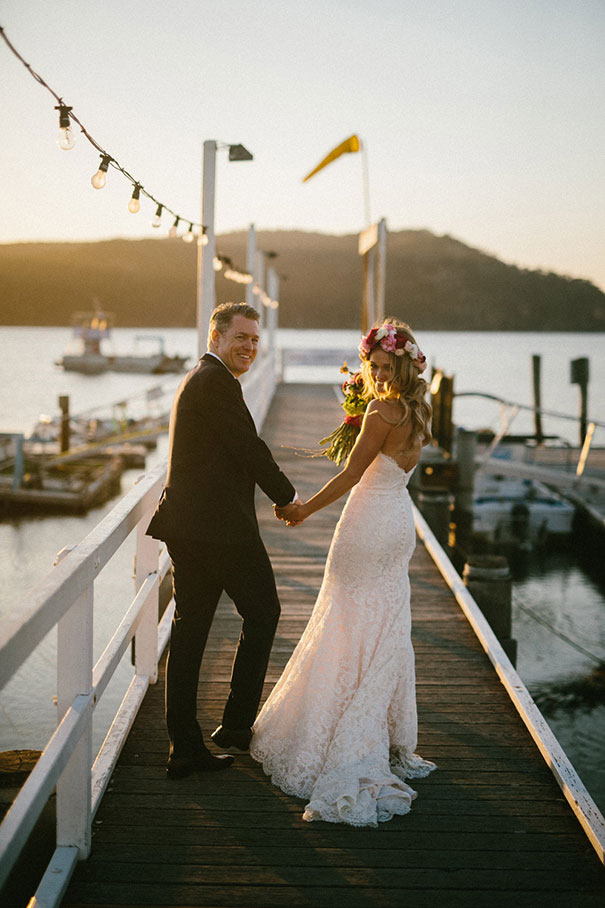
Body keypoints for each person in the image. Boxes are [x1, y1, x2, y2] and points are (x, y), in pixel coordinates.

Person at [250, 318, 437, 826]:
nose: (375, 374)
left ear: (401, 364)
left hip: (367, 523)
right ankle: (381, 726)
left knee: (344, 617)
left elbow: (353, 473)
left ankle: (340, 731)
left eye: (382, 366)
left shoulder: (380, 410)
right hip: (399, 524)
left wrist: (303, 509)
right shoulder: (418, 410)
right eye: (370, 366)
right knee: (383, 623)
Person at [146, 302, 299, 779]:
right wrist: (287, 497)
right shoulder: (213, 382)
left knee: (190, 633)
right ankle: (233, 726)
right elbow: (247, 447)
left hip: (191, 527)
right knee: (264, 611)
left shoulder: (204, 378)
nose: (250, 347)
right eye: (241, 337)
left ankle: (186, 747)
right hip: (219, 532)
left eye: (255, 339)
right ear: (215, 337)